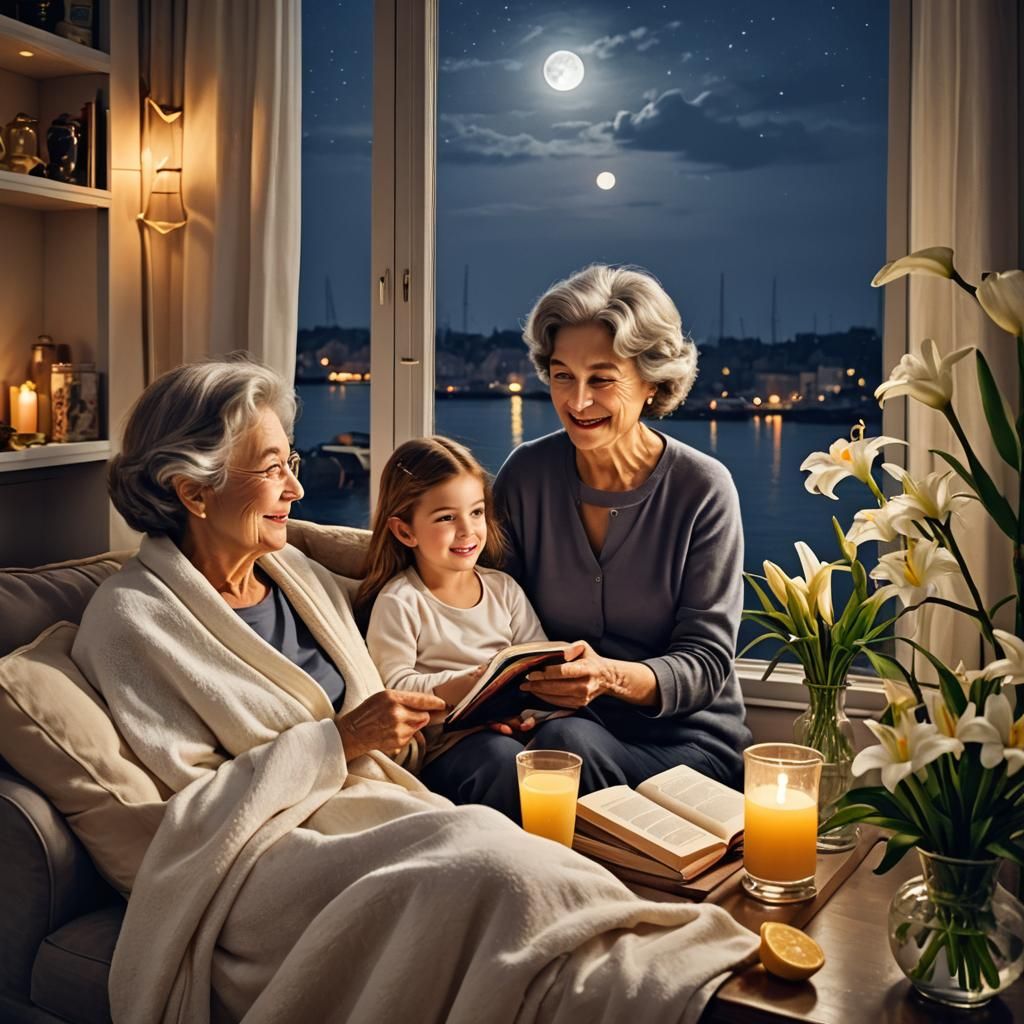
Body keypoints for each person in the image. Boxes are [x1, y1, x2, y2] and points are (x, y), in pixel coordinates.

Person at [71, 357, 757, 1024]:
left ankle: (667, 988)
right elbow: (188, 815)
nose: (296, 490)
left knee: (513, 860)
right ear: (194, 491)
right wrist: (342, 739)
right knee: (496, 867)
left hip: (391, 803)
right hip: (281, 856)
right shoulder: (134, 619)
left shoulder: (294, 572)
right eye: (274, 468)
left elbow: (390, 576)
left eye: (293, 465)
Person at [434, 264, 753, 818]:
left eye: (602, 379)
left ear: (652, 381)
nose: (578, 401)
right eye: (562, 376)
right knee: (487, 754)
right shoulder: (527, 474)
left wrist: (607, 677)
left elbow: (705, 663)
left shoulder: (703, 489)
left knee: (563, 756)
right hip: (559, 724)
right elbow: (486, 607)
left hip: (683, 744)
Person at [357, 435, 558, 809]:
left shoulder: (504, 590)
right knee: (500, 763)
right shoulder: (401, 601)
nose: (468, 530)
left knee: (571, 740)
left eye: (477, 512)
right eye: (447, 517)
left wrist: (526, 717)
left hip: (508, 729)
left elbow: (536, 660)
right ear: (405, 531)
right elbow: (394, 685)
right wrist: (465, 684)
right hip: (445, 748)